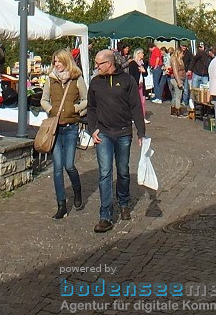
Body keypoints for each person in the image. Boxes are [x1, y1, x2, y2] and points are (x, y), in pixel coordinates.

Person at [86, 49, 145, 233]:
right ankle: (105, 215)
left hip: (123, 132)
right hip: (103, 133)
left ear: (109, 63)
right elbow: (91, 108)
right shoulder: (95, 83)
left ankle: (124, 202)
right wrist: (92, 129)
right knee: (105, 173)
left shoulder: (127, 81)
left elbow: (136, 107)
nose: (96, 67)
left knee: (123, 170)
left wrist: (141, 132)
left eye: (99, 64)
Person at [41, 49, 88, 219]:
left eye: (59, 61)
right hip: (56, 128)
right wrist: (50, 109)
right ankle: (61, 204)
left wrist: (76, 109)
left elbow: (86, 99)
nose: (56, 64)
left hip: (71, 127)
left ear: (66, 61)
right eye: (54, 62)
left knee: (69, 165)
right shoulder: (51, 79)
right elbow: (43, 99)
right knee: (58, 167)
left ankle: (77, 191)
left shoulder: (77, 78)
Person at [127, 48, 150, 123]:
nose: (143, 55)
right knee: (134, 101)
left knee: (142, 101)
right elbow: (132, 75)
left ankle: (142, 117)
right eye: (142, 53)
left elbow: (146, 74)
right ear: (138, 54)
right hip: (135, 84)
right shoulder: (132, 63)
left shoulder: (142, 63)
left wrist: (144, 71)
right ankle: (133, 117)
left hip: (142, 84)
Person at [168, 44, 186, 115]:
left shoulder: (178, 60)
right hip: (177, 79)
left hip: (179, 78)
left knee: (175, 95)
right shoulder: (175, 60)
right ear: (178, 53)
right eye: (182, 53)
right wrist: (179, 82)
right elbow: (175, 72)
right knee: (178, 96)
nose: (183, 55)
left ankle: (173, 109)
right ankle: (178, 110)